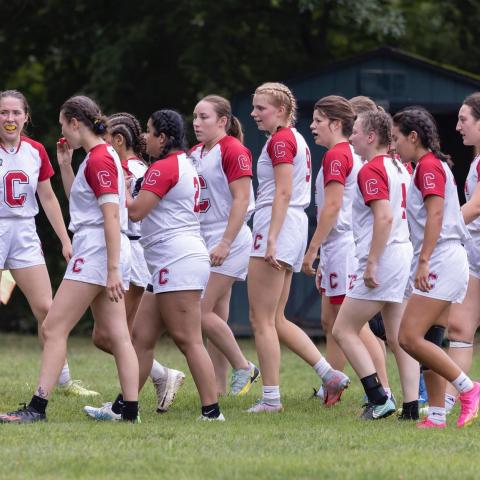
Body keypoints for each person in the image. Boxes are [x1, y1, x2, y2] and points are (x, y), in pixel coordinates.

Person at [0, 95, 139, 423]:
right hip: (104, 250)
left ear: (75, 123)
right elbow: (87, 205)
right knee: (118, 334)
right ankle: (129, 410)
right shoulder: (98, 156)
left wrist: (113, 268)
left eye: (63, 124)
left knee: (53, 326)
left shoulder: (99, 159)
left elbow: (110, 215)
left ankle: (37, 408)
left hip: (98, 251)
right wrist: (64, 165)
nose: (61, 131)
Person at [95, 109, 224, 421]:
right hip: (172, 259)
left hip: (176, 259)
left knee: (188, 339)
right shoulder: (181, 163)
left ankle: (211, 412)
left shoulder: (165, 166)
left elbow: (136, 212)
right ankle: (123, 407)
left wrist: (122, 189)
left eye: (150, 132)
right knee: (140, 337)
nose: (145, 138)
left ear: (163, 138)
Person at [247, 82, 349, 413]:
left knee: (260, 319)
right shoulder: (295, 139)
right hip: (289, 225)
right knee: (276, 318)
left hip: (277, 225)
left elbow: (283, 191)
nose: (254, 114)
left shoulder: (281, 140)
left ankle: (271, 399)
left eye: (260, 108)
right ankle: (329, 374)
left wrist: (271, 237)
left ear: (280, 110)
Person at [85, 112, 184, 419]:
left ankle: (137, 394)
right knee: (112, 335)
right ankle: (142, 388)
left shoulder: (132, 169)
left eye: (105, 138)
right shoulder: (124, 167)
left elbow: (132, 214)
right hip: (128, 251)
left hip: (134, 253)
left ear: (118, 140)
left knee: (116, 335)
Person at [0, 89, 97, 397]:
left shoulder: (35, 150)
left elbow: (47, 197)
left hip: (24, 233)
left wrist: (65, 240)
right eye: (4, 112)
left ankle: (65, 380)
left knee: (47, 308)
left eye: (16, 112)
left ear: (26, 116)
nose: (10, 118)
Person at [394, 106, 480, 429]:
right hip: (449, 257)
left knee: (407, 337)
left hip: (441, 259)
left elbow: (436, 216)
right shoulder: (427, 166)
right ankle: (438, 415)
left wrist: (425, 260)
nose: (394, 145)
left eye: (397, 138)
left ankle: (469, 389)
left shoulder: (428, 166)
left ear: (413, 137)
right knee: (432, 336)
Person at [302, 95, 391, 403]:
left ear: (336, 124)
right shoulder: (340, 154)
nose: (312, 126)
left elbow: (332, 208)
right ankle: (333, 387)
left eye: (318, 120)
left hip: (342, 244)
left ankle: (384, 391)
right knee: (330, 321)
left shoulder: (338, 156)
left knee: (352, 325)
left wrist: (312, 250)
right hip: (336, 245)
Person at [332, 110, 420, 420]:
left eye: (354, 130)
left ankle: (378, 398)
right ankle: (411, 407)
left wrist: (371, 263)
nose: (350, 135)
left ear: (371, 136)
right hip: (403, 253)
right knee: (398, 337)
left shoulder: (371, 170)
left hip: (384, 257)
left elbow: (383, 217)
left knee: (343, 329)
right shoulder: (398, 166)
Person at [190, 95, 259, 396]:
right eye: (194, 116)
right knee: (216, 314)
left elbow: (242, 200)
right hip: (204, 236)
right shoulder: (195, 152)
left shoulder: (232, 149)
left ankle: (244, 366)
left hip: (228, 238)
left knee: (199, 313)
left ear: (222, 121)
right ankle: (217, 387)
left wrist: (225, 242)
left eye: (204, 117)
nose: (196, 122)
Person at [445, 93, 480, 413]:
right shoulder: (477, 161)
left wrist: (441, 226)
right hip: (475, 259)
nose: (457, 127)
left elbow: (477, 206)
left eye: (464, 119)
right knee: (459, 328)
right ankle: (451, 401)